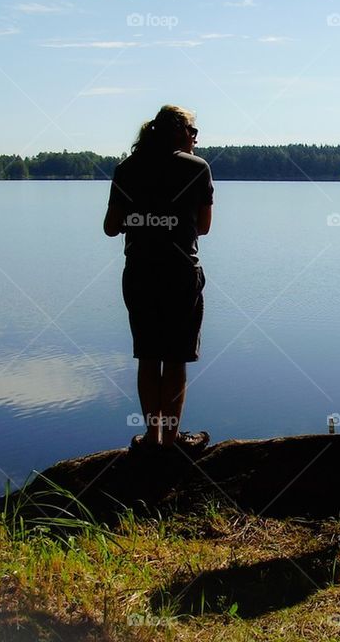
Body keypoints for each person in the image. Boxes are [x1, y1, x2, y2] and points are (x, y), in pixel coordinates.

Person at [103, 105, 213, 452]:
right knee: (176, 358)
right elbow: (205, 227)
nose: (196, 138)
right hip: (180, 273)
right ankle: (173, 439)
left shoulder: (127, 168)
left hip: (140, 273)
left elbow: (110, 227)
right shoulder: (197, 168)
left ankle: (153, 437)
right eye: (193, 132)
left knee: (149, 357)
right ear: (180, 131)